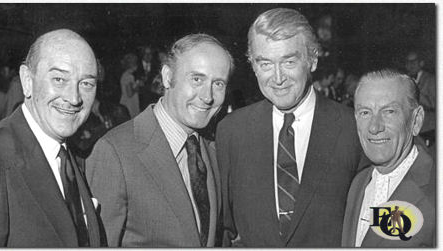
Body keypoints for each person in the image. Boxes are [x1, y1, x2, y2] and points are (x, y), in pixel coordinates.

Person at [216, 8, 364, 247]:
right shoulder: (232, 132)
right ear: (252, 65)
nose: (277, 78)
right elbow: (224, 229)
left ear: (312, 60)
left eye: (289, 61)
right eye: (265, 63)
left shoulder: (353, 128)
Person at [86, 33, 234, 247]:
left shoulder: (212, 150)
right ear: (167, 77)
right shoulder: (114, 152)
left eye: (218, 83)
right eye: (196, 79)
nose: (208, 96)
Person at [0, 29, 104, 247]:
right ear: (27, 80)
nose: (74, 98)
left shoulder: (70, 155)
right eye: (59, 79)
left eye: (86, 83)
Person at [342, 70, 435, 247]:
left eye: (389, 111)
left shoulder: (435, 191)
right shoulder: (357, 183)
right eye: (365, 113)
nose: (374, 127)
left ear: (416, 121)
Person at [405, 50, 436, 146]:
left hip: (428, 129)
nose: (411, 65)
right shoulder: (404, 80)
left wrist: (416, 91)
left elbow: (434, 105)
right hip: (411, 130)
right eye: (408, 62)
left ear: (421, 63)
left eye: (414, 61)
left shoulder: (432, 79)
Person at [119, 53, 143, 118]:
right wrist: (137, 85)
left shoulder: (125, 75)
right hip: (130, 104)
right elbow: (130, 93)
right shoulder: (129, 77)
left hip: (127, 103)